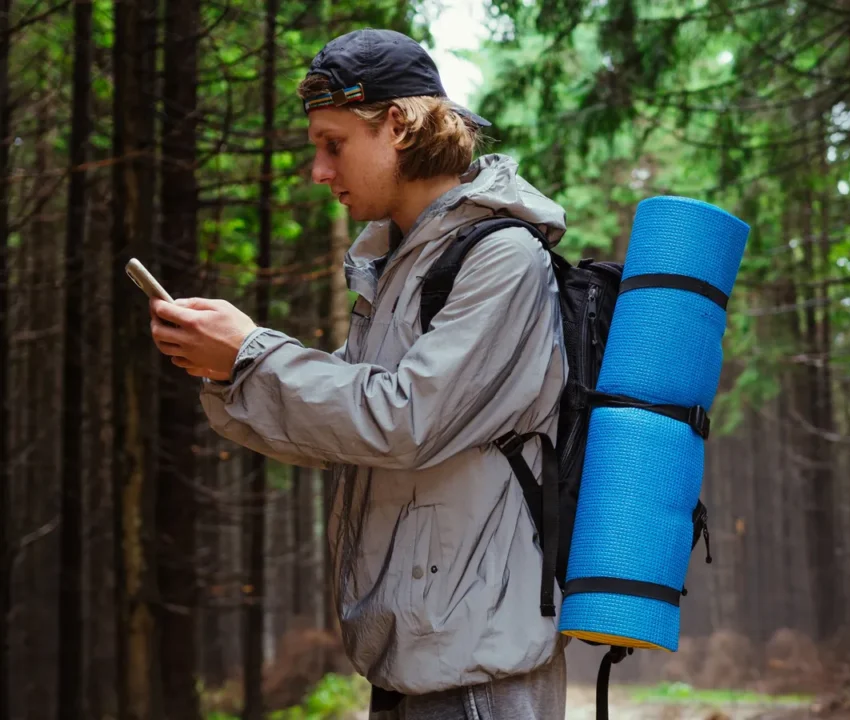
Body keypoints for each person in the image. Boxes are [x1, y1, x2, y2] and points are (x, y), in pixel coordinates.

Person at [149, 28, 570, 719]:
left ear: (398, 126)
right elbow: (343, 426)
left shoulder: (503, 257)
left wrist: (254, 353)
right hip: (413, 658)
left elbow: (405, 419)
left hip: (478, 672)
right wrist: (229, 372)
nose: (318, 169)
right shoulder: (400, 265)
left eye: (333, 143)